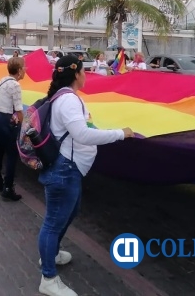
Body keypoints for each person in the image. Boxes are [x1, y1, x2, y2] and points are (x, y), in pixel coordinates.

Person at [37, 55, 134, 296]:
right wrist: (120, 134)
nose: (86, 74)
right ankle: (48, 278)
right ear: (76, 74)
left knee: (70, 212)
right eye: (84, 70)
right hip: (64, 170)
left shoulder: (65, 97)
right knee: (53, 222)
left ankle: (52, 253)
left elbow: (82, 129)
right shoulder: (69, 100)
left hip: (68, 169)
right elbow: (82, 135)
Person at [0, 56, 26, 201]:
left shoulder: (3, 80)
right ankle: (8, 188)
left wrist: (11, 116)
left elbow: (0, 102)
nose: (26, 70)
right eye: (25, 67)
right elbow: (20, 111)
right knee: (12, 153)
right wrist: (24, 127)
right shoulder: (15, 85)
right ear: (20, 70)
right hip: (1, 122)